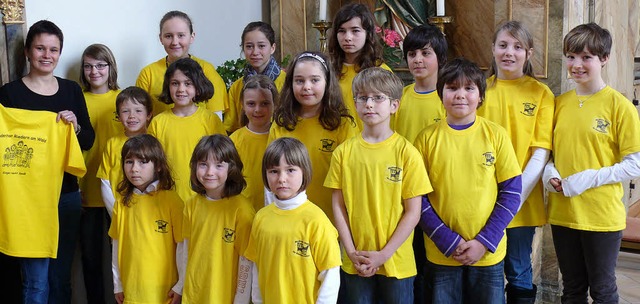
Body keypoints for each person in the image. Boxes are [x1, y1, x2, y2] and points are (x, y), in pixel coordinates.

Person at [542, 23, 640, 304]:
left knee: (603, 290)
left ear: (604, 58)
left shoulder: (618, 105)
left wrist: (586, 178)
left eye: (586, 57)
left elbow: (635, 164)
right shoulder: (559, 103)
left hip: (601, 215)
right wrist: (551, 174)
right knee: (571, 290)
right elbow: (550, 154)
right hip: (563, 212)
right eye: (571, 57)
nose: (576, 65)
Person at [0, 20, 95, 304]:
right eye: (40, 48)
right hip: (27, 201)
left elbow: (88, 139)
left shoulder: (71, 90)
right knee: (36, 281)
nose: (47, 55)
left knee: (60, 276)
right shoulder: (9, 94)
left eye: (54, 49)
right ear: (28, 51)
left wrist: (75, 127)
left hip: (66, 195)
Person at [413, 58, 522, 303]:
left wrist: (484, 241)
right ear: (441, 95)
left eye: (469, 88)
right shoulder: (426, 139)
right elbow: (417, 197)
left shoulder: (496, 135)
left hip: (487, 252)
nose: (460, 95)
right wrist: (446, 240)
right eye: (452, 88)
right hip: (442, 253)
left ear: (481, 96)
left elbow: (512, 193)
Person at [324, 67, 432, 303]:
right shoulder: (344, 153)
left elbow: (413, 212)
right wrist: (350, 251)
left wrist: (383, 254)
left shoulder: (406, 153)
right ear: (355, 103)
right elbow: (338, 206)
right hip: (356, 260)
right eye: (363, 98)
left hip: (396, 261)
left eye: (378, 98)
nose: (369, 104)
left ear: (394, 105)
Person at [476, 20, 554, 303]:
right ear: (493, 49)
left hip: (521, 200)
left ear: (528, 53)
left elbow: (540, 152)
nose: (509, 52)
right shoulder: (479, 91)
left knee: (519, 268)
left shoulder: (540, 93)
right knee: (489, 270)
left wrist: (512, 198)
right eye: (503, 45)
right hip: (481, 198)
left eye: (517, 47)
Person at [0, 103, 86, 304]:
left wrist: (72, 128)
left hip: (45, 215)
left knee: (53, 280)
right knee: (35, 283)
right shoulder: (8, 98)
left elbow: (78, 161)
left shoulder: (59, 124)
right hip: (16, 214)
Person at [245, 137, 341, 303]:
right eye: (274, 171)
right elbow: (257, 268)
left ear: (304, 171)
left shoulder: (317, 221)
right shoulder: (261, 218)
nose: (282, 178)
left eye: (290, 170)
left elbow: (330, 276)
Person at [392, 23, 448, 304]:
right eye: (412, 53)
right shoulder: (399, 99)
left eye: (425, 53)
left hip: (440, 197)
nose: (417, 60)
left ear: (440, 57)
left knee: (435, 270)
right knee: (411, 265)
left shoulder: (449, 99)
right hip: (405, 197)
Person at [268, 51, 356, 221]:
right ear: (290, 83)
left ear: (327, 82)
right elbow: (272, 172)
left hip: (331, 218)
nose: (306, 87)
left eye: (314, 80)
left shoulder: (342, 125)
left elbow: (350, 177)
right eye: (299, 81)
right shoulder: (281, 124)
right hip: (290, 217)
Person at [109, 134, 185, 304]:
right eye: (129, 162)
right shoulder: (121, 203)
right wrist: (117, 284)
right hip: (131, 291)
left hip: (165, 292)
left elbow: (182, 246)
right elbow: (116, 245)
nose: (135, 169)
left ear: (158, 165)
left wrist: (180, 286)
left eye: (143, 162)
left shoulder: (172, 201)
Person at [182, 135, 255, 303]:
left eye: (219, 165)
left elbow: (246, 262)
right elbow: (185, 251)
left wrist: (241, 300)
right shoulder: (191, 205)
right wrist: (181, 286)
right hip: (194, 295)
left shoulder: (242, 210)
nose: (210, 172)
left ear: (231, 168)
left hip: (226, 297)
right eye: (203, 165)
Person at [78, 43, 123, 304]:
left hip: (120, 194)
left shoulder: (123, 98)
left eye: (100, 65)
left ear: (110, 67)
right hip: (87, 193)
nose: (94, 71)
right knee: (92, 261)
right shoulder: (77, 98)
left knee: (122, 259)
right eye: (88, 66)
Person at [148, 57, 225, 202]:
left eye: (188, 83)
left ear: (197, 87)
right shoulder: (158, 122)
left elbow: (222, 160)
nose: (181, 89)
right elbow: (152, 165)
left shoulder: (211, 120)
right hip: (167, 198)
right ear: (168, 86)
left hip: (204, 198)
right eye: (175, 83)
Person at [136, 10, 227, 117]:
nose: (175, 42)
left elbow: (216, 118)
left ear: (192, 36)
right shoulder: (148, 74)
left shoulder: (206, 69)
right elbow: (140, 117)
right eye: (168, 36)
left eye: (181, 35)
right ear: (161, 38)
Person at [328, 3, 391, 130]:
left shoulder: (381, 72)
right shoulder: (328, 70)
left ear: (368, 33)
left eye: (355, 31)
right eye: (342, 31)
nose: (348, 37)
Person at [97, 86, 153, 216]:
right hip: (119, 212)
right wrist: (115, 214)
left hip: (149, 213)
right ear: (118, 116)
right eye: (125, 111)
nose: (132, 116)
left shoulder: (154, 143)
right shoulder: (112, 144)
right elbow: (105, 182)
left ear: (149, 114)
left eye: (138, 110)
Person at [225, 21, 286, 134]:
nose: (255, 52)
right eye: (249, 46)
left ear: (272, 48)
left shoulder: (287, 83)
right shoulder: (237, 87)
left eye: (261, 46)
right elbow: (232, 127)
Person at [229, 75, 278, 211]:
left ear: (275, 104)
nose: (258, 109)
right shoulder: (234, 141)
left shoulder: (281, 137)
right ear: (242, 105)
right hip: (243, 211)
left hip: (276, 211)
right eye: (251, 104)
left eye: (265, 103)